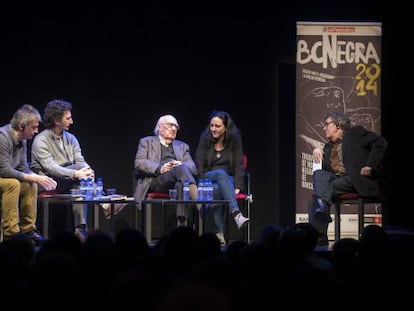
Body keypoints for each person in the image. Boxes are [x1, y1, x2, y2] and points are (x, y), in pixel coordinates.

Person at [30, 99, 118, 241]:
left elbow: (80, 159)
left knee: (81, 176)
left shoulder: (71, 138)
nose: (71, 121)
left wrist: (88, 169)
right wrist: (77, 172)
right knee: (79, 173)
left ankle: (79, 230)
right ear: (57, 120)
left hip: (69, 181)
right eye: (68, 118)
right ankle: (105, 203)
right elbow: (50, 167)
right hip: (48, 181)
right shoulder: (41, 140)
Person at [309, 112, 387, 246]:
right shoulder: (328, 147)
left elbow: (380, 142)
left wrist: (370, 165)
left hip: (356, 179)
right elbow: (324, 176)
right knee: (318, 179)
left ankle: (319, 229)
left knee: (319, 196)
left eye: (326, 124)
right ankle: (320, 239)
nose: (324, 128)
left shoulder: (355, 133)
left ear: (338, 125)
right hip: (337, 181)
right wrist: (317, 149)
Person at [0, 104, 57, 244]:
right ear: (21, 126)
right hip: (3, 177)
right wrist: (33, 176)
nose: (37, 131)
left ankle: (28, 230)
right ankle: (11, 234)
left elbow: (23, 167)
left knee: (31, 183)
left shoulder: (23, 140)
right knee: (13, 184)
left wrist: (39, 178)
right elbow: (4, 170)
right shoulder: (3, 137)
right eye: (34, 127)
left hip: (5, 177)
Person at [133, 114, 198, 227]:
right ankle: (200, 203)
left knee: (180, 182)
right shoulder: (146, 142)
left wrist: (181, 164)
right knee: (182, 171)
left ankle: (180, 226)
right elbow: (139, 162)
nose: (173, 129)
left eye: (176, 127)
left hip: (178, 181)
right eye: (170, 125)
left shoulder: (182, 146)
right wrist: (160, 168)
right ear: (159, 127)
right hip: (157, 180)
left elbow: (192, 166)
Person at [195, 110, 249, 245]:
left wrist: (238, 186)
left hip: (227, 180)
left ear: (226, 127)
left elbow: (239, 163)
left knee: (218, 188)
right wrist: (201, 183)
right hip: (208, 177)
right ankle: (236, 213)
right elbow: (199, 162)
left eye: (217, 126)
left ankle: (219, 232)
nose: (213, 129)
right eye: (211, 125)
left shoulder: (234, 139)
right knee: (219, 174)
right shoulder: (205, 138)